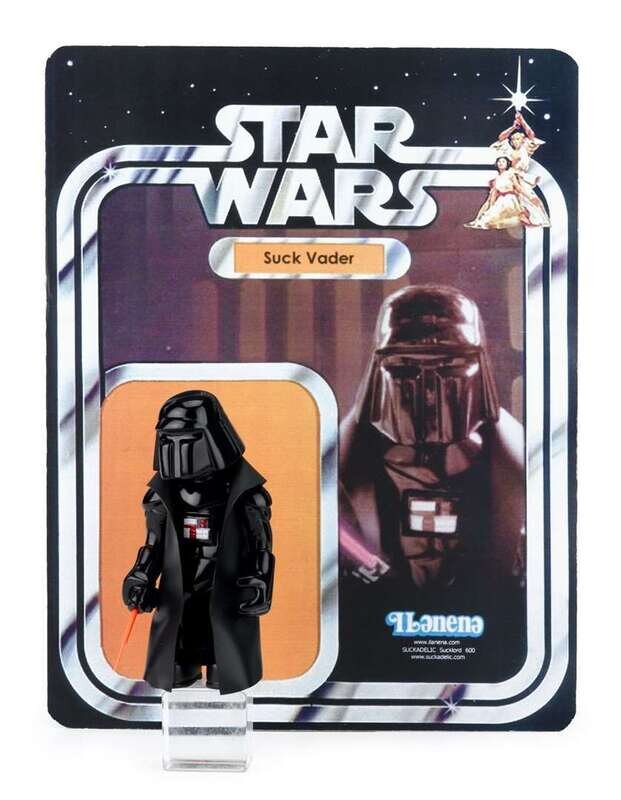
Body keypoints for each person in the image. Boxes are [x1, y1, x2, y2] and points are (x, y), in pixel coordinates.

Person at [121, 390, 275, 694]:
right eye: (169, 440)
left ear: (212, 439)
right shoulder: (162, 496)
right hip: (180, 586)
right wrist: (140, 575)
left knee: (225, 655)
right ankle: (184, 663)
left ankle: (221, 666)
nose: (178, 451)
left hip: (226, 585)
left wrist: (261, 580)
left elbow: (261, 545)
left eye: (188, 440)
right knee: (177, 655)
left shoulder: (246, 494)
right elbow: (153, 544)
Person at [465, 155, 549, 229]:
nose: (501, 163)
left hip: (510, 199)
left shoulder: (510, 174)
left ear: (507, 164)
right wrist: (491, 206)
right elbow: (494, 193)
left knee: (499, 214)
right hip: (500, 200)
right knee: (489, 217)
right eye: (499, 162)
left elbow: (518, 187)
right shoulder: (497, 178)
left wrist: (530, 197)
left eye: (503, 161)